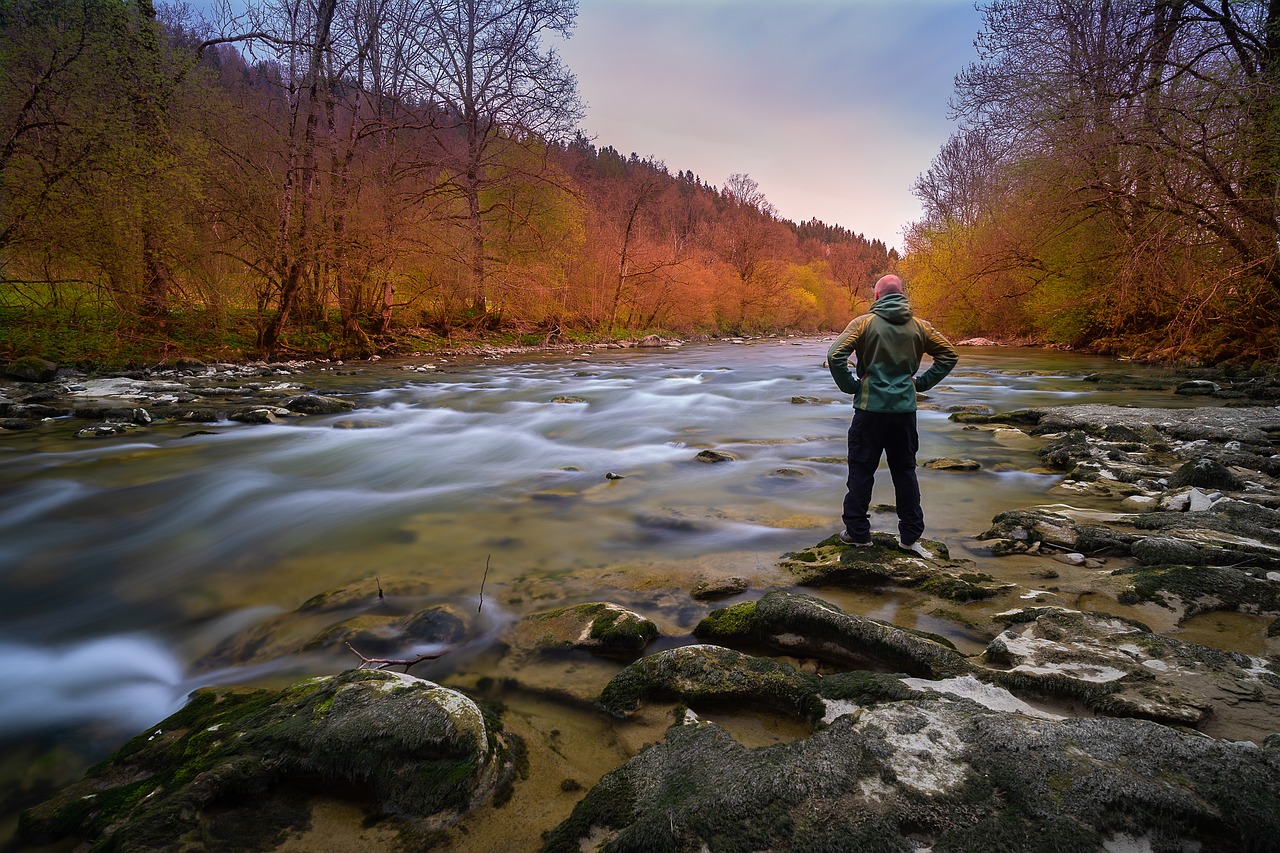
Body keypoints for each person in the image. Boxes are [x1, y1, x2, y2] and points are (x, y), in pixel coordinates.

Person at [827, 274, 957, 557]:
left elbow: (835, 354)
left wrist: (851, 385)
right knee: (905, 471)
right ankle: (910, 537)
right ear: (901, 295)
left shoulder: (863, 324)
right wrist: (920, 383)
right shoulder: (921, 327)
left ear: (877, 297)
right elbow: (949, 355)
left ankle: (858, 534)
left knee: (861, 470)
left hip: (869, 410)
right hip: (904, 412)